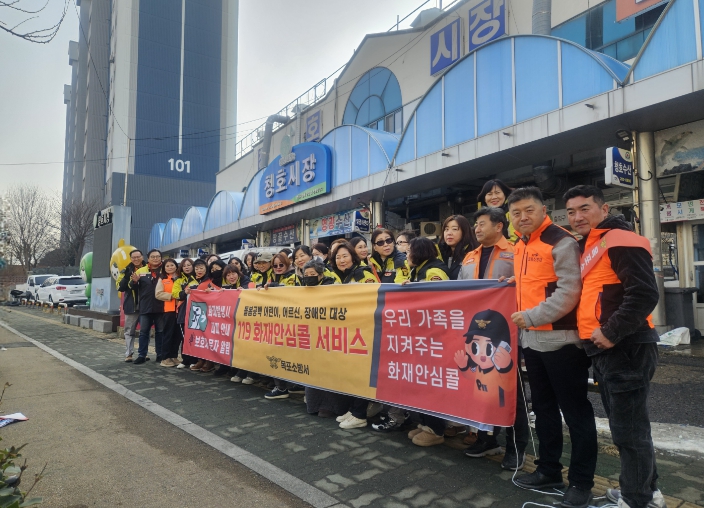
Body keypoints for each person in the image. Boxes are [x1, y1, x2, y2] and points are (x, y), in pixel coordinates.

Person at [564, 185, 664, 508]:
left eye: (585, 208)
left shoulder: (619, 240)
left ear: (604, 209)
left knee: (629, 431)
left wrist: (610, 332)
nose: (577, 217)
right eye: (571, 212)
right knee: (630, 428)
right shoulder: (594, 244)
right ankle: (647, 491)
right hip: (609, 349)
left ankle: (636, 499)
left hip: (625, 347)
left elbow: (645, 293)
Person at [508, 187, 597, 508]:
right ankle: (548, 470)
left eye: (529, 210)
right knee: (543, 409)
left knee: (576, 414)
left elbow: (569, 292)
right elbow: (533, 285)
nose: (522, 217)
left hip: (563, 343)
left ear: (544, 210)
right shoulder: (521, 244)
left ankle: (582, 483)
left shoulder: (561, 241)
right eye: (516, 213)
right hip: (532, 342)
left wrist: (531, 316)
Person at [458, 207, 530, 471]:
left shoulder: (516, 251)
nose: (476, 229)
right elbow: (456, 291)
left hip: (507, 336)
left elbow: (528, 286)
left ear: (499, 226)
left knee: (511, 393)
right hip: (477, 338)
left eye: (482, 224)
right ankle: (487, 440)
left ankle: (516, 447)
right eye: (475, 224)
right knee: (481, 391)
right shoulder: (469, 256)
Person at [372, 237, 449, 435]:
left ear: (419, 253)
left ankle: (436, 429)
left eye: (409, 252)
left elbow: (439, 303)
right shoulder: (419, 270)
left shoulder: (433, 272)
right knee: (421, 382)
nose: (406, 256)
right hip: (420, 336)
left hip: (432, 338)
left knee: (431, 384)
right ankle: (426, 423)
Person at [330, 243, 379, 429]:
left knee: (361, 374)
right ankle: (353, 410)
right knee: (351, 373)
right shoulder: (341, 277)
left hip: (364, 331)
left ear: (353, 256)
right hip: (348, 332)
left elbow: (373, 298)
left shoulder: (363, 274)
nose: (341, 260)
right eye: (338, 257)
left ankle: (360, 414)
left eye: (345, 256)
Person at [130, 249, 165, 365]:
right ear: (148, 259)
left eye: (158, 256)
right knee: (144, 332)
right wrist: (135, 282)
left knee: (160, 332)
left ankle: (160, 354)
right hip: (145, 307)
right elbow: (133, 288)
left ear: (161, 258)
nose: (155, 258)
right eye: (153, 257)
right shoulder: (141, 271)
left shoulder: (165, 270)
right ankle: (142, 355)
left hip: (161, 307)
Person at [116, 249, 145, 362]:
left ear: (142, 257)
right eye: (134, 257)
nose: (136, 259)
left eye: (138, 257)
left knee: (145, 330)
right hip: (131, 305)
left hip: (146, 305)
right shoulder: (125, 270)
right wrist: (126, 277)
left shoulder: (148, 269)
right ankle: (129, 353)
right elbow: (119, 287)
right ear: (131, 259)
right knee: (129, 331)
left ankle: (144, 353)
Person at [184, 259, 210, 372]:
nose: (199, 270)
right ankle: (200, 360)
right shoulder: (192, 281)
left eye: (201, 268)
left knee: (208, 337)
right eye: (197, 268)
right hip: (196, 313)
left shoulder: (210, 280)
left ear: (206, 268)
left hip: (209, 314)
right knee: (199, 336)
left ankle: (209, 361)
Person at [172, 258, 197, 369]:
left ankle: (194, 360)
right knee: (185, 337)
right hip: (183, 311)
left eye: (189, 265)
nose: (187, 267)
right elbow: (175, 293)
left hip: (196, 312)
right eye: (184, 265)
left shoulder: (198, 278)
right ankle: (185, 359)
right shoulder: (179, 280)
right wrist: (184, 292)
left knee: (195, 337)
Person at [155, 258, 179, 367]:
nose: (170, 267)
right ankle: (165, 358)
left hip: (179, 309)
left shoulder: (180, 278)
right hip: (168, 310)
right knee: (168, 334)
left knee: (177, 335)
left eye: (172, 265)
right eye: (167, 266)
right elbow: (158, 294)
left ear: (176, 266)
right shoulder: (163, 279)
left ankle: (174, 356)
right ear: (164, 268)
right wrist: (172, 296)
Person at [437, 215, 478, 280]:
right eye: (446, 229)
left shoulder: (473, 254)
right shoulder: (439, 253)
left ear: (464, 232)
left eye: (454, 229)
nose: (449, 233)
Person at [477, 179, 518, 243]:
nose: (494, 197)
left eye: (497, 193)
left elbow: (516, 240)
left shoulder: (513, 214)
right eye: (489, 194)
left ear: (505, 195)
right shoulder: (479, 220)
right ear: (484, 198)